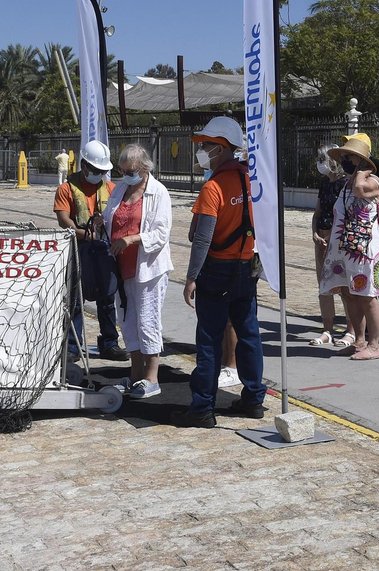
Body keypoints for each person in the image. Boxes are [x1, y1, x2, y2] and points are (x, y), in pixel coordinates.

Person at [177, 116, 267, 427]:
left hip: (216, 270)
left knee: (209, 338)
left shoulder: (213, 186)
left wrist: (191, 277)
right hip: (246, 267)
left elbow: (202, 237)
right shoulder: (253, 180)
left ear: (221, 148)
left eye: (206, 146)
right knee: (249, 333)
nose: (201, 150)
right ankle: (254, 399)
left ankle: (203, 406)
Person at [101, 145, 173, 399]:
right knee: (128, 321)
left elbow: (161, 233)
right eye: (122, 170)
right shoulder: (120, 188)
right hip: (121, 268)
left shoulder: (158, 192)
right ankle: (135, 375)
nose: (126, 174)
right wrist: (102, 221)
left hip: (148, 268)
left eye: (130, 170)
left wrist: (132, 239)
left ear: (144, 168)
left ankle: (152, 377)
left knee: (148, 320)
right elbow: (113, 216)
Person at [54, 139, 127, 361]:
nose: (100, 174)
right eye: (96, 170)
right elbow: (63, 219)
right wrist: (84, 233)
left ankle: (109, 343)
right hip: (78, 248)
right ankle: (73, 346)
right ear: (84, 166)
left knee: (107, 296)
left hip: (104, 249)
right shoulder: (66, 188)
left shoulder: (112, 189)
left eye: (103, 171)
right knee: (76, 298)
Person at [321, 137, 379, 360]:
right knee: (350, 293)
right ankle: (359, 340)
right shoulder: (346, 184)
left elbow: (361, 190)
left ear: (359, 159)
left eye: (347, 157)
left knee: (367, 295)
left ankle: (374, 345)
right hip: (346, 246)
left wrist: (362, 171)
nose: (343, 161)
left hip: (365, 247)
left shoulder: (371, 181)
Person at [308, 145, 353, 349]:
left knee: (344, 287)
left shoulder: (345, 184)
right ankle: (327, 330)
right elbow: (318, 212)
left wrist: (334, 237)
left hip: (339, 240)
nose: (320, 163)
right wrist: (315, 233)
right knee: (324, 287)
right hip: (323, 238)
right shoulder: (325, 183)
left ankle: (351, 330)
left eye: (323, 158)